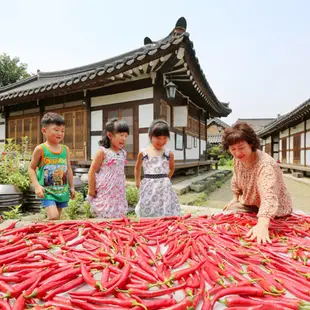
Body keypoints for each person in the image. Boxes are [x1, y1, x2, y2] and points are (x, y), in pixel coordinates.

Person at [222, 122, 292, 244]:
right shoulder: (238, 159)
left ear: (251, 144)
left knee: (266, 232)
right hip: (251, 203)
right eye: (233, 149)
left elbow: (269, 195)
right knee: (228, 212)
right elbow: (236, 177)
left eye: (241, 147)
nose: (237, 153)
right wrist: (235, 197)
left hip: (275, 207)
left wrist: (263, 225)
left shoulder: (265, 165)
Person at [28, 112, 75, 220]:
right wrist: (37, 186)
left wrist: (72, 187)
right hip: (47, 192)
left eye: (62, 131)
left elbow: (68, 169)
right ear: (44, 131)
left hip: (62, 191)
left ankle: (46, 233)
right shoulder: (40, 149)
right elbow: (31, 168)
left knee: (56, 218)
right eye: (56, 130)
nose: (60, 133)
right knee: (53, 217)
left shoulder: (65, 149)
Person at [135, 119, 180, 217]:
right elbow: (137, 168)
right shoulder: (143, 153)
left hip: (164, 188)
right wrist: (138, 182)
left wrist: (166, 179)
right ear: (150, 136)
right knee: (147, 206)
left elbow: (172, 168)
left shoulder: (169, 153)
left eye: (164, 138)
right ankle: (148, 228)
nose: (161, 141)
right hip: (148, 186)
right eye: (158, 138)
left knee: (164, 208)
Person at [87, 118, 129, 218]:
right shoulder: (102, 152)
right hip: (105, 191)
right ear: (110, 135)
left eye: (126, 136)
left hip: (118, 191)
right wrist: (91, 188)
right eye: (121, 135)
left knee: (118, 215)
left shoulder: (123, 153)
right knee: (104, 214)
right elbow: (92, 171)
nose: (124, 138)